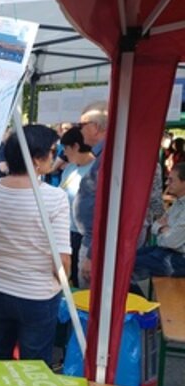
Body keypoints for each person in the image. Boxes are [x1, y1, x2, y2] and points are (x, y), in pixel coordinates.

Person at [0, 124, 71, 365]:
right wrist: (63, 278)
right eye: (52, 151)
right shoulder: (54, 198)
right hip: (37, 294)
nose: (55, 156)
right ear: (35, 160)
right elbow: (62, 260)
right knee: (34, 366)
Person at [73, 101, 109, 287]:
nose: (79, 131)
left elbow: (106, 210)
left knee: (90, 300)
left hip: (95, 245)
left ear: (95, 127)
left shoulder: (108, 158)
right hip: (92, 242)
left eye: (82, 125)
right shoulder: (104, 155)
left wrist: (92, 254)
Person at [132, 162, 185, 280]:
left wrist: (161, 228)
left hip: (179, 259)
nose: (167, 183)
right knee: (125, 259)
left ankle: (139, 297)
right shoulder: (179, 202)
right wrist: (164, 229)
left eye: (171, 180)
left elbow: (171, 241)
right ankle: (136, 296)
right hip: (167, 251)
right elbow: (154, 226)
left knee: (127, 265)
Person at [59, 126, 95, 287]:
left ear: (76, 146)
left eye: (66, 148)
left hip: (86, 236)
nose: (64, 153)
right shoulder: (70, 169)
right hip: (67, 232)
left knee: (84, 278)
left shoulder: (96, 170)